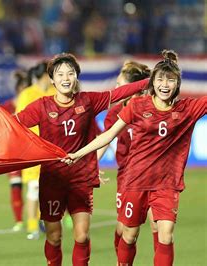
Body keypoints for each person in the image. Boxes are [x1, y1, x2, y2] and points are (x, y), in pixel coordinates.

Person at [0, 52, 149, 266]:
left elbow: (119, 94)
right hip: (52, 179)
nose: (65, 78)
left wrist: (150, 81)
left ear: (76, 77)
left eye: (70, 73)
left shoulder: (89, 101)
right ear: (52, 79)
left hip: (81, 180)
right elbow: (13, 123)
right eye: (60, 74)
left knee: (82, 235)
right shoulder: (42, 106)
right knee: (54, 236)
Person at [63, 50, 206, 266]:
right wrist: (79, 155)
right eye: (160, 79)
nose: (164, 84)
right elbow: (108, 136)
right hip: (135, 181)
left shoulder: (188, 109)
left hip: (166, 184)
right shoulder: (137, 107)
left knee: (165, 234)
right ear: (152, 82)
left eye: (170, 80)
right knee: (128, 235)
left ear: (178, 84)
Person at [102, 61, 156, 255]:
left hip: (154, 176)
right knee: (125, 231)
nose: (115, 89)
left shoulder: (153, 109)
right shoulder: (115, 114)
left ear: (132, 88)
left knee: (160, 228)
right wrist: (91, 167)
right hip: (127, 178)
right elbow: (104, 140)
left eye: (119, 85)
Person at [15, 61, 57, 240]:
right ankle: (32, 226)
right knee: (33, 188)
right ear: (46, 76)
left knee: (51, 189)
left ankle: (44, 221)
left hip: (53, 149)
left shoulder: (55, 93)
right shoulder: (27, 94)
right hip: (32, 149)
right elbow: (18, 120)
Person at [1, 69, 28, 232]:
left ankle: (52, 217)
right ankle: (18, 220)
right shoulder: (7, 107)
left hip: (31, 152)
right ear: (18, 90)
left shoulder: (34, 104)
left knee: (38, 187)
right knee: (16, 186)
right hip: (13, 153)